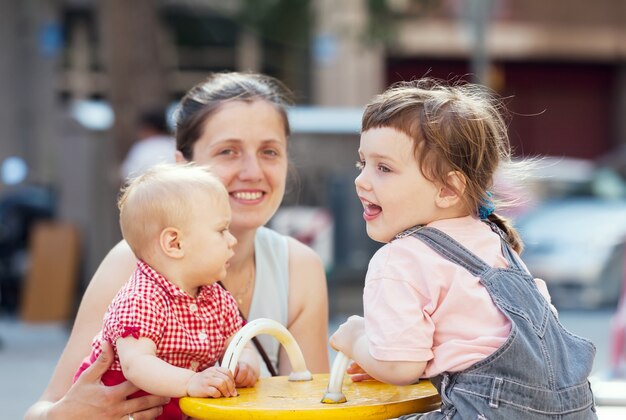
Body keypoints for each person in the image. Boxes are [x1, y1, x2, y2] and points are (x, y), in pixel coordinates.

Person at [25, 72, 329, 420]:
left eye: (270, 151)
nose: (252, 171)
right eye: (228, 151)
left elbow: (311, 408)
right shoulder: (130, 265)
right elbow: (41, 409)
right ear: (183, 165)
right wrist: (66, 415)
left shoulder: (299, 267)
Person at [329, 78, 597, 419]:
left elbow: (400, 366)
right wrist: (382, 358)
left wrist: (357, 341)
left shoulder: (400, 258)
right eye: (361, 163)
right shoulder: (493, 240)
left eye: (383, 168)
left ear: (448, 189)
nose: (361, 179)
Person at [72, 163, 259, 419]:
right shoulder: (141, 298)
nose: (232, 239)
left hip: (174, 409)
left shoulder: (215, 297)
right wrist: (190, 382)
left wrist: (245, 363)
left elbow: (239, 342)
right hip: (124, 407)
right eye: (221, 230)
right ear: (175, 243)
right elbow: (137, 365)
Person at [120, 107, 176, 180]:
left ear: (147, 128)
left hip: (147, 188)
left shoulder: (142, 147)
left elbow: (127, 173)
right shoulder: (173, 144)